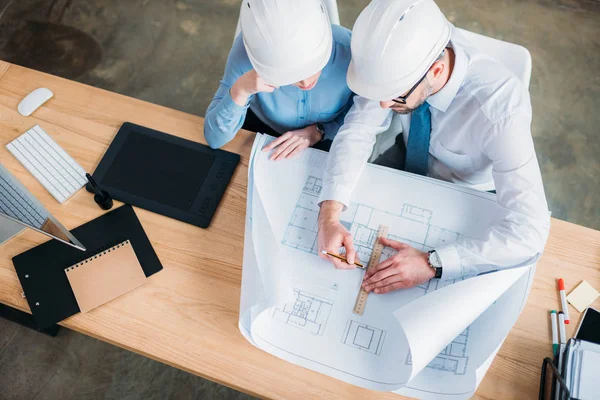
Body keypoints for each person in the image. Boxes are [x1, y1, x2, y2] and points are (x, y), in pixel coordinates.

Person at [317, 0, 550, 294]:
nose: (383, 106)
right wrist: (329, 215)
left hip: (468, 190)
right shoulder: (398, 59)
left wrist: (433, 263)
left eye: (395, 98)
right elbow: (359, 129)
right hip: (406, 155)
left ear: (437, 71)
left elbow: (530, 233)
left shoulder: (501, 112)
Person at [204, 0, 354, 160]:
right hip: (262, 130)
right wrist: (240, 90)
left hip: (329, 134)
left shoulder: (350, 50)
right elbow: (214, 139)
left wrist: (320, 131)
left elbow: (360, 111)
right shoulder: (244, 56)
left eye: (314, 67)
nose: (305, 83)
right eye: (290, 76)